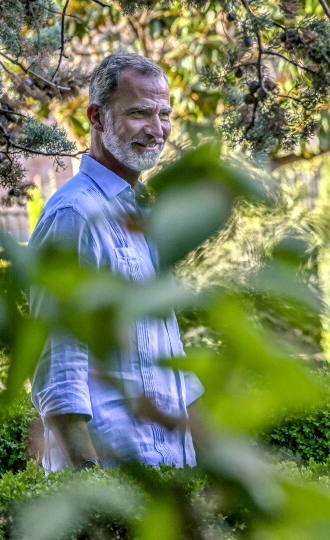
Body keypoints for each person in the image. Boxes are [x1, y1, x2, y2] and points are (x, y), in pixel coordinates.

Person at [30, 53, 203, 471]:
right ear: (97, 117)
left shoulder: (143, 213)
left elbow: (169, 358)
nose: (157, 129)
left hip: (169, 478)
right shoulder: (74, 215)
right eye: (139, 113)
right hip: (115, 482)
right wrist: (95, 487)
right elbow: (59, 370)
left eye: (164, 114)